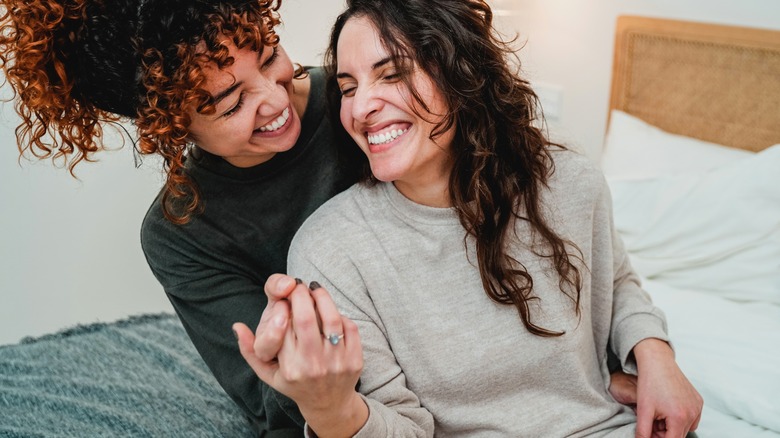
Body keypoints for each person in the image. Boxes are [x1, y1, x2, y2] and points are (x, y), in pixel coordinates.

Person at [0, 0, 646, 435]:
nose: (277, 99)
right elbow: (280, 403)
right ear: (168, 127)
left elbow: (519, 203)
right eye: (229, 102)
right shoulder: (184, 231)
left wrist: (605, 363)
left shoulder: (362, 100)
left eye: (272, 56)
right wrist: (326, 392)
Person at [233, 0, 704, 437]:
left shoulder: (568, 179)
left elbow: (614, 278)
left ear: (461, 73)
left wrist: (656, 354)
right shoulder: (332, 250)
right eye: (348, 89)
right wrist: (332, 412)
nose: (360, 108)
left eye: (391, 73)